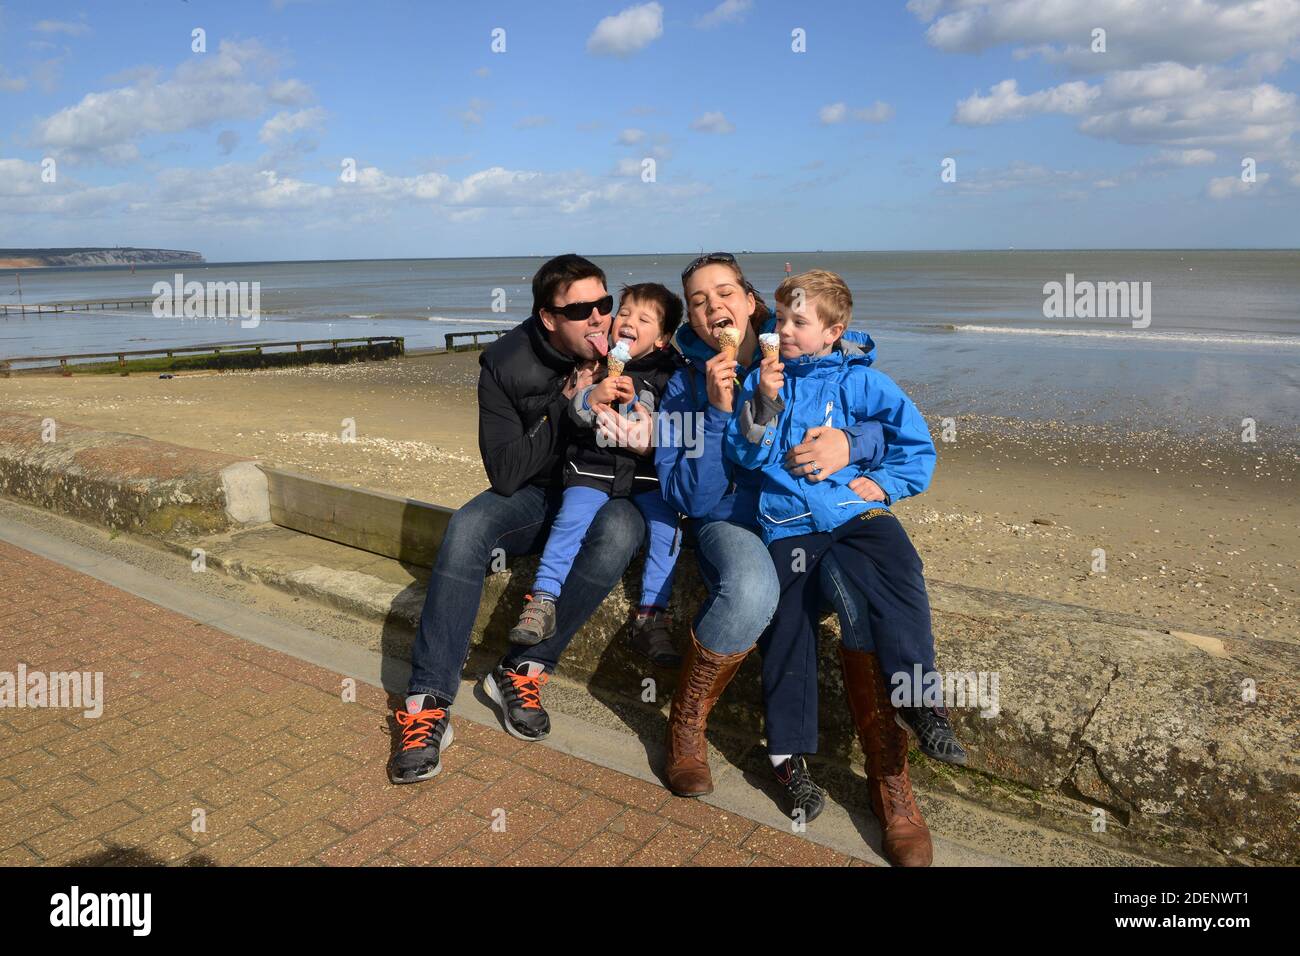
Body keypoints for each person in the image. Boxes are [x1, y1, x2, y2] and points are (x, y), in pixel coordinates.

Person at [724, 269, 967, 867]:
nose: (783, 330)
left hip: (854, 512)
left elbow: (917, 451)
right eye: (779, 320)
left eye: (798, 322)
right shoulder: (762, 380)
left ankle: (919, 698)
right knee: (787, 620)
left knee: (901, 572)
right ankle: (786, 757)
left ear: (834, 332)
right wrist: (764, 404)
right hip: (788, 525)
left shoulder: (864, 383)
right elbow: (745, 452)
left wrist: (876, 482)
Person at [390, 254, 648, 781]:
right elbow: (505, 474)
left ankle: (522, 668)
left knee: (624, 528)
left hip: (601, 492)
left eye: (604, 303)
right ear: (548, 318)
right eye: (581, 310)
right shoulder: (506, 363)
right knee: (468, 526)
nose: (600, 318)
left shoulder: (635, 347)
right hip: (536, 495)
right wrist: (567, 403)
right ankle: (429, 701)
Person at [654, 253, 886, 804]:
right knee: (755, 589)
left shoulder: (799, 353)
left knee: (867, 593)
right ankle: (686, 726)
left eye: (725, 292)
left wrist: (852, 444)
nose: (715, 307)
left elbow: (879, 422)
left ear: (751, 302)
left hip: (807, 517)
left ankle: (887, 774)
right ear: (692, 319)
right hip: (732, 522)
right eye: (698, 301)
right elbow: (694, 497)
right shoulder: (685, 387)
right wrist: (714, 411)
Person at [507, 283, 686, 667]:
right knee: (569, 521)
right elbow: (575, 414)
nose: (628, 322)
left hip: (644, 476)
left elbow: (678, 427)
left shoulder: (669, 375)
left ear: (662, 339)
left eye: (644, 319)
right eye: (624, 313)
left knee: (667, 529)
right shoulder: (595, 363)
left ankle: (651, 614)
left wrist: (648, 421)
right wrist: (593, 396)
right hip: (591, 467)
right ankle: (542, 598)